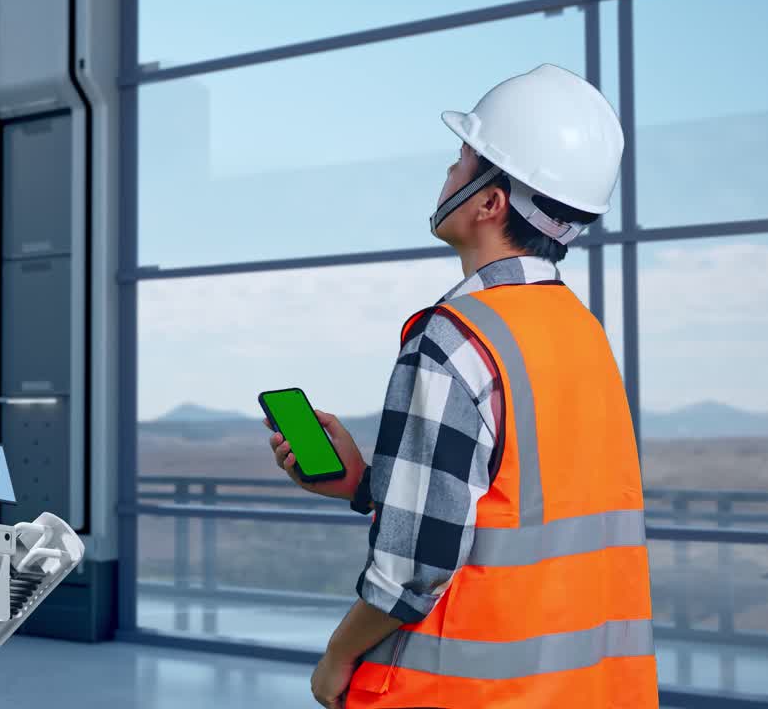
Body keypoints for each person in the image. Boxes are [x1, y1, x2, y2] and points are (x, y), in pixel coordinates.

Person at [264, 64, 658, 708]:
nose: (446, 174)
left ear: (489, 201)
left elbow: (414, 567)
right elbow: (523, 510)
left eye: (460, 160)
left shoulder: (455, 338)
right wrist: (367, 482)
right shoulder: (581, 333)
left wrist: (339, 655)